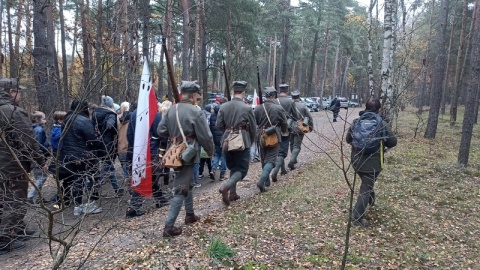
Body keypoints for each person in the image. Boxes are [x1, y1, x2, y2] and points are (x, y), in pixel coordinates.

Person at [157, 81, 214, 237]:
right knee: (181, 187)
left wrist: (174, 137)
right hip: (188, 152)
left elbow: (161, 130)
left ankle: (190, 215)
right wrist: (210, 151)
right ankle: (168, 226)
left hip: (174, 151)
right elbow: (205, 136)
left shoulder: (171, 110)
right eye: (197, 95)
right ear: (193, 95)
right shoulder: (196, 111)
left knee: (186, 182)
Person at [0, 78, 45, 254]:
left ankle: (18, 230)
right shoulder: (12, 112)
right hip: (11, 166)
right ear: (11, 92)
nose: (20, 95)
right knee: (15, 201)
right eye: (18, 91)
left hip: (5, 165)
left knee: (6, 199)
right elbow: (27, 140)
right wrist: (39, 161)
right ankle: (4, 239)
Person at [346, 97, 397, 226]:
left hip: (356, 161)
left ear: (366, 107)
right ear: (378, 109)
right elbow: (393, 142)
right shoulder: (381, 124)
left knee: (366, 184)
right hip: (373, 164)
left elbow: (348, 140)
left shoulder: (356, 122)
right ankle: (357, 219)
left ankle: (371, 199)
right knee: (365, 189)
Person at [59, 99, 102, 216]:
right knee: (93, 178)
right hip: (85, 155)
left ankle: (78, 206)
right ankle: (91, 203)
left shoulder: (66, 119)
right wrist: (98, 141)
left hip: (70, 155)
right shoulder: (83, 120)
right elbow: (92, 139)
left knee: (77, 180)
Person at [216, 81, 257, 205]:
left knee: (233, 167)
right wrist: (250, 139)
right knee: (242, 170)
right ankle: (226, 187)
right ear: (243, 92)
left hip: (226, 140)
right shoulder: (247, 108)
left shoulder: (223, 106)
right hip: (242, 140)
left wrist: (228, 130)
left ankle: (232, 194)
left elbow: (218, 125)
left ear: (233, 92)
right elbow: (253, 128)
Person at [125, 104, 169, 218]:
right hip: (151, 152)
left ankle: (160, 199)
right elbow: (162, 133)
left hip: (137, 151)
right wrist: (161, 152)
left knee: (151, 177)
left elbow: (129, 135)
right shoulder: (154, 114)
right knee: (147, 178)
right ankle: (133, 207)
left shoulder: (134, 113)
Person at [253, 87, 288, 192]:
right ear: (273, 96)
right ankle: (261, 181)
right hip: (273, 136)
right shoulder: (278, 108)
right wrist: (283, 130)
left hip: (261, 135)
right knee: (271, 160)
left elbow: (254, 122)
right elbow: (284, 123)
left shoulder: (258, 108)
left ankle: (266, 181)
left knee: (263, 158)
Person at [271, 84, 298, 182]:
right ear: (287, 91)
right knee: (282, 152)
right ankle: (275, 172)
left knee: (278, 150)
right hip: (285, 129)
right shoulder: (290, 101)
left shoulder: (274, 101)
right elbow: (295, 116)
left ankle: (283, 170)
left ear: (279, 91)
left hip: (274, 129)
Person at [27, 111, 50, 205]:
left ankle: (38, 198)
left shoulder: (32, 129)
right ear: (38, 119)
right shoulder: (39, 130)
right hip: (38, 156)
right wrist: (47, 151)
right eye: (43, 118)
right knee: (42, 177)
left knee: (38, 177)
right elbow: (39, 145)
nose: (45, 120)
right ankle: (30, 196)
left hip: (33, 156)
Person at [288, 91, 314, 170]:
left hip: (290, 126)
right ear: (299, 97)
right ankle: (292, 161)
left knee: (292, 143)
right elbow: (309, 117)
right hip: (300, 127)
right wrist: (311, 127)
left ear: (292, 97)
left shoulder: (289, 105)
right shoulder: (303, 106)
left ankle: (294, 159)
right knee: (297, 146)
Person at [209, 104, 227, 181]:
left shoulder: (212, 116)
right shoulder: (223, 116)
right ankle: (222, 174)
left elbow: (210, 127)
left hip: (215, 138)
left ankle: (213, 169)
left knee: (217, 155)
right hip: (223, 138)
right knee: (224, 156)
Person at [117, 102, 130, 178]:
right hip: (129, 144)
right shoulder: (133, 117)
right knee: (129, 163)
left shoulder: (116, 118)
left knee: (123, 163)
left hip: (120, 144)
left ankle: (126, 176)